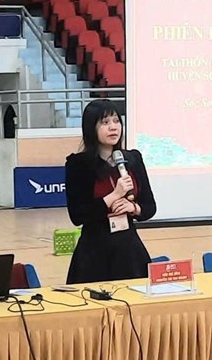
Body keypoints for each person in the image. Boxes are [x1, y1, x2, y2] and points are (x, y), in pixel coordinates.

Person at [64, 99, 156, 284]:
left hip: (129, 250)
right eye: (105, 122)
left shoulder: (133, 159)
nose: (113, 127)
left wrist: (134, 208)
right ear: (91, 128)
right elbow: (77, 215)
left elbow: (149, 207)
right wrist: (114, 195)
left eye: (116, 121)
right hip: (94, 252)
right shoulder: (78, 164)